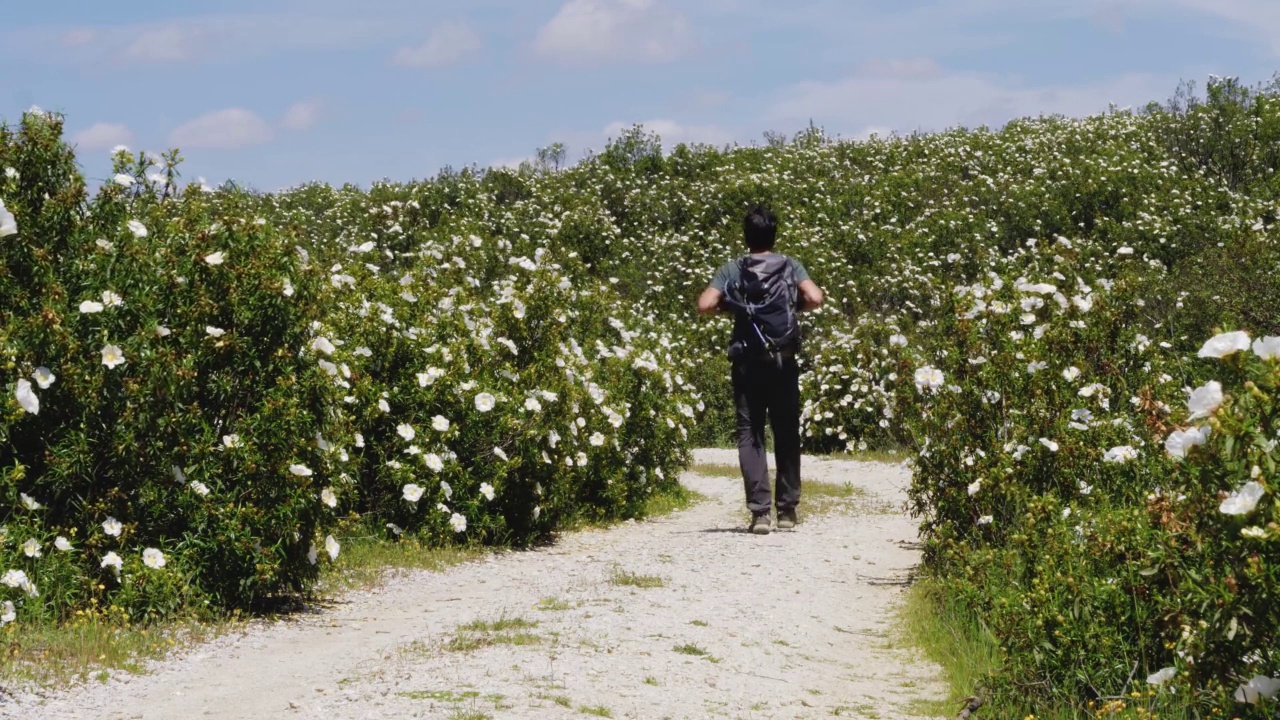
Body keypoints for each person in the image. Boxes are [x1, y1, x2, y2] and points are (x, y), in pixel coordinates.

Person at [696, 206, 824, 535]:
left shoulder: (732, 269)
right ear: (774, 234)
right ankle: (787, 511)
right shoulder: (789, 265)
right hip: (783, 361)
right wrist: (792, 305)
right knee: (786, 432)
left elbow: (704, 305)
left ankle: (759, 513)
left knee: (750, 434)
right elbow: (815, 297)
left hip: (747, 364)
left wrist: (734, 307)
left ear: (746, 235)